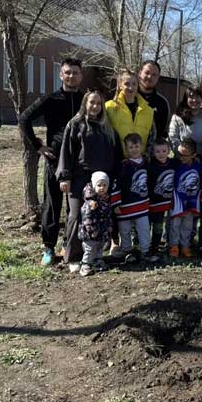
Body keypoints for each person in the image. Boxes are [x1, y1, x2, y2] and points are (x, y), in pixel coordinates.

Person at [18, 57, 84, 267]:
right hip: (55, 159)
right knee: (52, 204)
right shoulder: (50, 99)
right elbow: (24, 119)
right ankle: (48, 247)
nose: (71, 76)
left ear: (81, 76)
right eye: (67, 72)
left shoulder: (85, 100)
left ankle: (68, 243)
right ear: (61, 75)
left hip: (80, 160)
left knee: (74, 205)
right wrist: (38, 146)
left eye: (75, 72)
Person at [57, 90, 123, 269]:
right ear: (85, 104)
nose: (95, 106)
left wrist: (116, 177)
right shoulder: (75, 124)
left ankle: (95, 256)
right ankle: (73, 257)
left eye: (99, 103)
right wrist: (65, 176)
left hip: (103, 179)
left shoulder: (107, 127)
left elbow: (117, 155)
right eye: (91, 102)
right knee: (77, 215)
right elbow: (67, 152)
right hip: (80, 177)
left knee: (99, 217)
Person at [111, 133, 157, 262]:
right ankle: (127, 251)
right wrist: (115, 203)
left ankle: (145, 251)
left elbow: (151, 183)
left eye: (136, 146)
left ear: (141, 146)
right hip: (125, 206)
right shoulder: (123, 165)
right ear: (126, 149)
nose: (134, 149)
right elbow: (116, 185)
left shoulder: (146, 164)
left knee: (144, 229)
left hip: (142, 204)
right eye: (130, 147)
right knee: (124, 231)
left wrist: (151, 200)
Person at [106, 69, 156, 157]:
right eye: (127, 84)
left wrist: (146, 156)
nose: (131, 87)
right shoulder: (109, 107)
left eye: (134, 84)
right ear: (120, 85)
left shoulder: (148, 110)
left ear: (138, 85)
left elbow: (152, 137)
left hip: (140, 161)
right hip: (117, 161)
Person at [169, 138, 201, 258]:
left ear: (193, 155)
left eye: (185, 156)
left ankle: (185, 245)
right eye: (179, 154)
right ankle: (174, 246)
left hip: (191, 199)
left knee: (187, 225)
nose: (181, 158)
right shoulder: (175, 164)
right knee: (174, 224)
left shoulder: (198, 165)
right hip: (177, 200)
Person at [77, 172, 112, 277]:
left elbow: (108, 216)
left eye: (104, 185)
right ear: (94, 186)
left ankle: (98, 262)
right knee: (90, 249)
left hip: (102, 230)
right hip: (90, 233)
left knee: (99, 248)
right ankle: (85, 265)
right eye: (99, 185)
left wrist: (108, 228)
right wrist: (91, 230)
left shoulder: (105, 200)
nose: (102, 188)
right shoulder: (91, 202)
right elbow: (87, 217)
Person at [148, 138, 177, 255]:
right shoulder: (150, 166)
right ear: (153, 153)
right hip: (154, 201)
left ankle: (160, 244)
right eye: (158, 152)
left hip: (168, 200)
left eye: (164, 151)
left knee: (164, 224)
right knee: (153, 224)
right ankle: (149, 245)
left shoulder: (173, 163)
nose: (161, 154)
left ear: (169, 151)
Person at [168, 85, 202, 155]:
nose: (194, 100)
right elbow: (172, 137)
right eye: (191, 97)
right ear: (186, 99)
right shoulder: (177, 116)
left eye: (197, 97)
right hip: (182, 158)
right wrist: (182, 153)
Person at [138, 60, 171, 140]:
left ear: (158, 78)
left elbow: (164, 132)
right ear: (140, 73)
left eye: (154, 75)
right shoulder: (128, 97)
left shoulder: (162, 103)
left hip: (152, 150)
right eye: (147, 73)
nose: (149, 77)